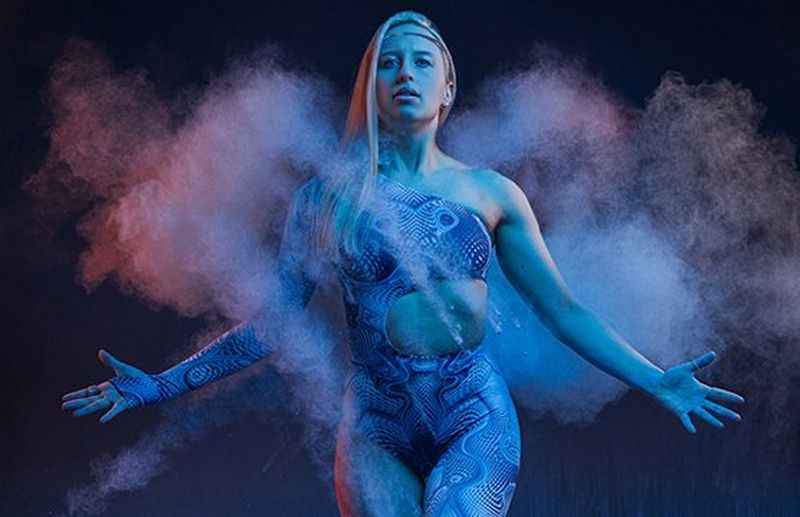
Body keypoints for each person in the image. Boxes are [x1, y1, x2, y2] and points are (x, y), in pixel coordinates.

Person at [61, 11, 746, 516]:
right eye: (389, 62)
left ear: (447, 88)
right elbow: (275, 323)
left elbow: (562, 308)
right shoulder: (326, 195)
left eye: (421, 61)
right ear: (370, 86)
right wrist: (160, 385)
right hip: (376, 426)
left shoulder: (490, 191)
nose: (404, 74)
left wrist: (656, 379)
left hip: (471, 412)